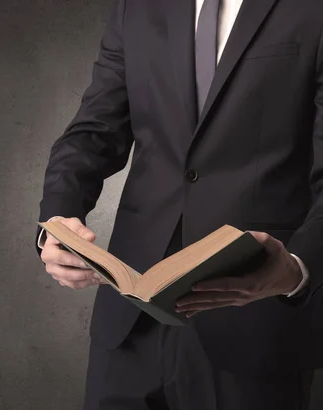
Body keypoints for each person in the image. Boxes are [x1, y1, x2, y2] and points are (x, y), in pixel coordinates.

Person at [35, 0, 323, 409]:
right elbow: (92, 132)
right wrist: (58, 223)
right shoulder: (134, 9)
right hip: (129, 321)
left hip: (256, 320)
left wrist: (298, 268)